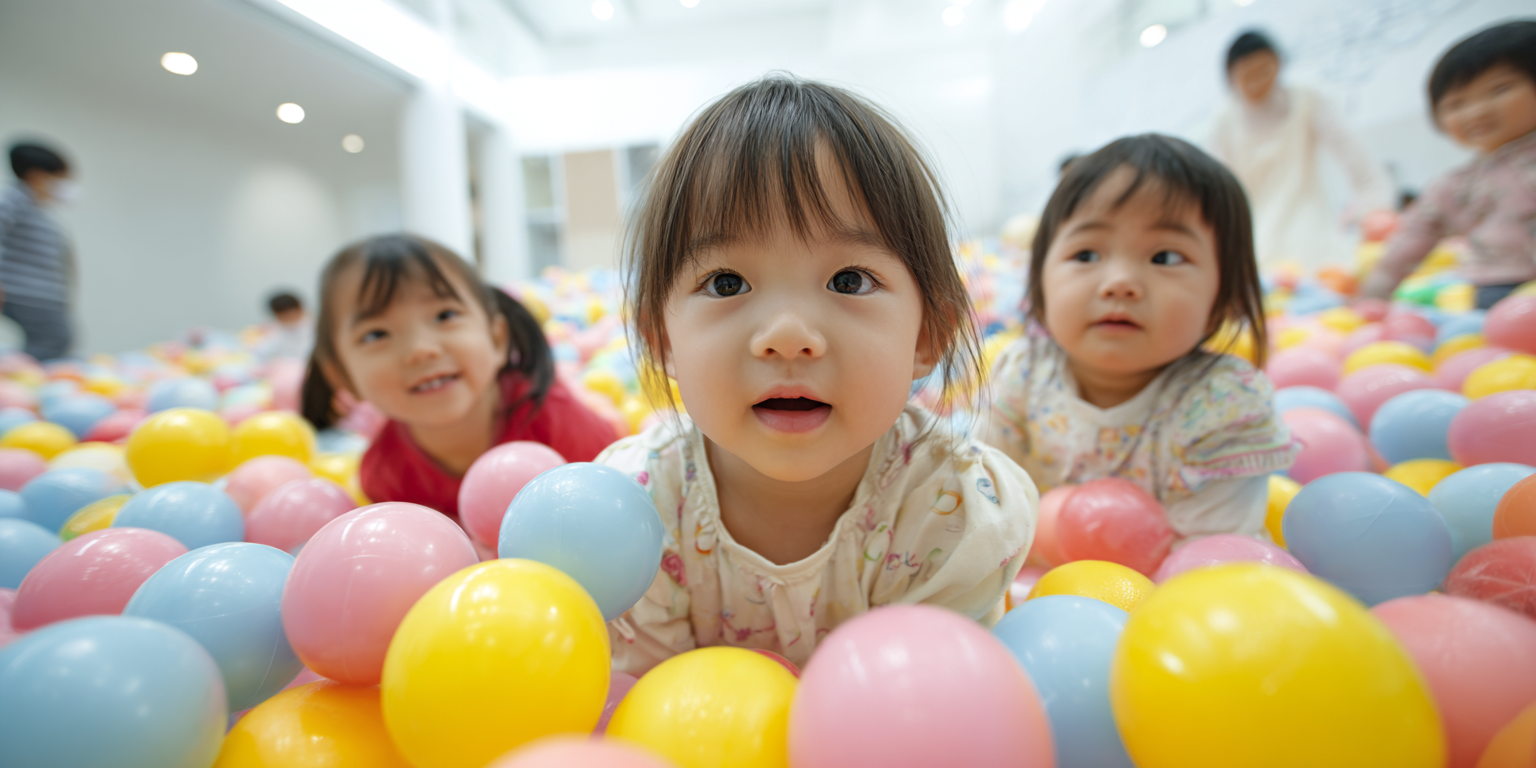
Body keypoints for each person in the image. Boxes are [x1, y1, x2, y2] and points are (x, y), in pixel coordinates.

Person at [600, 75, 1039, 675]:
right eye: (726, 283)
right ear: (662, 341)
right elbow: (644, 707)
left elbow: (932, 709)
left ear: (928, 334)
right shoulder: (632, 517)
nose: (788, 334)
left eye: (848, 281)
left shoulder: (952, 512)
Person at [982, 135, 1297, 541]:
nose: (1119, 282)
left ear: (1225, 298)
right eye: (1086, 255)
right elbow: (984, 502)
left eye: (1165, 257)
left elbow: (1211, 557)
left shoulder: (1223, 405)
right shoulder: (1023, 372)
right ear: (1039, 280)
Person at [300, 234, 618, 517]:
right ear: (342, 376)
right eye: (376, 334)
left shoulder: (555, 419)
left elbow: (616, 495)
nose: (421, 349)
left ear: (497, 339)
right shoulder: (384, 476)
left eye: (445, 315)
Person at [1360, 21, 1536, 309]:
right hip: (1499, 288)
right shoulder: (1456, 184)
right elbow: (1411, 239)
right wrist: (1373, 295)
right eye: (1456, 104)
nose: (1476, 111)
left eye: (1500, 89)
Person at [1209, 31, 1394, 271]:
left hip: (1310, 229)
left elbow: (1353, 154)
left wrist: (1374, 204)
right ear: (1231, 79)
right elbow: (1221, 191)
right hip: (1256, 236)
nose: (1257, 82)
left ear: (1279, 64)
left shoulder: (1307, 99)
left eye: (1264, 71)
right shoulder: (1224, 124)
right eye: (1247, 76)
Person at [0, 142, 78, 361]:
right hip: (25, 292)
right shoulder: (15, 199)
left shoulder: (35, 209)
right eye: (59, 178)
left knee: (55, 341)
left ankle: (18, 372)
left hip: (39, 293)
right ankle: (14, 374)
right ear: (36, 176)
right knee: (52, 342)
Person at [254, 290, 314, 361]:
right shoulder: (271, 329)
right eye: (283, 316)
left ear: (300, 308)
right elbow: (260, 351)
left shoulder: (315, 324)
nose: (289, 319)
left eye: (290, 315)